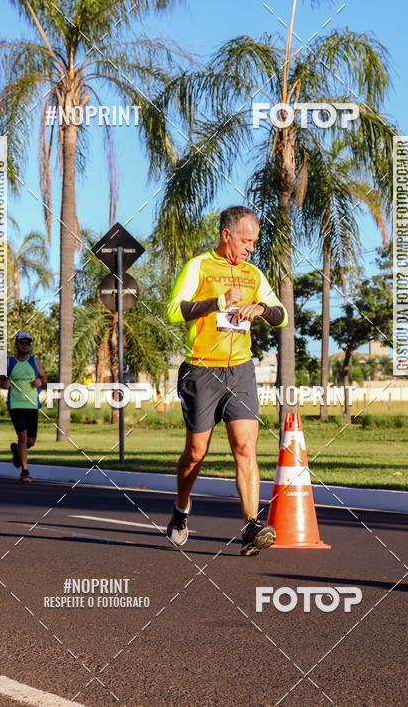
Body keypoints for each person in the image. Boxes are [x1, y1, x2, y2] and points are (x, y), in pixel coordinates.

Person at [165, 206, 287, 556]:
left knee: (246, 448)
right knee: (195, 453)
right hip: (202, 369)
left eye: (254, 242)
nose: (251, 247)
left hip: (241, 369)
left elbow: (282, 315)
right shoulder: (200, 266)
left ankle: (251, 524)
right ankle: (181, 509)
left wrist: (261, 310)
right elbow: (173, 309)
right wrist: (216, 303)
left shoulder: (252, 274)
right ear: (227, 235)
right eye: (246, 240)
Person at [0, 331, 46, 483]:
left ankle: (18, 451)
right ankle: (25, 471)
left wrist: (40, 382)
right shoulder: (9, 362)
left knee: (30, 441)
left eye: (27, 343)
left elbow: (44, 378)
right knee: (23, 435)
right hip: (16, 404)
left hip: (32, 405)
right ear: (16, 344)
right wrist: (4, 384)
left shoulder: (35, 361)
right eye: (22, 343)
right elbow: (1, 381)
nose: (25, 345)